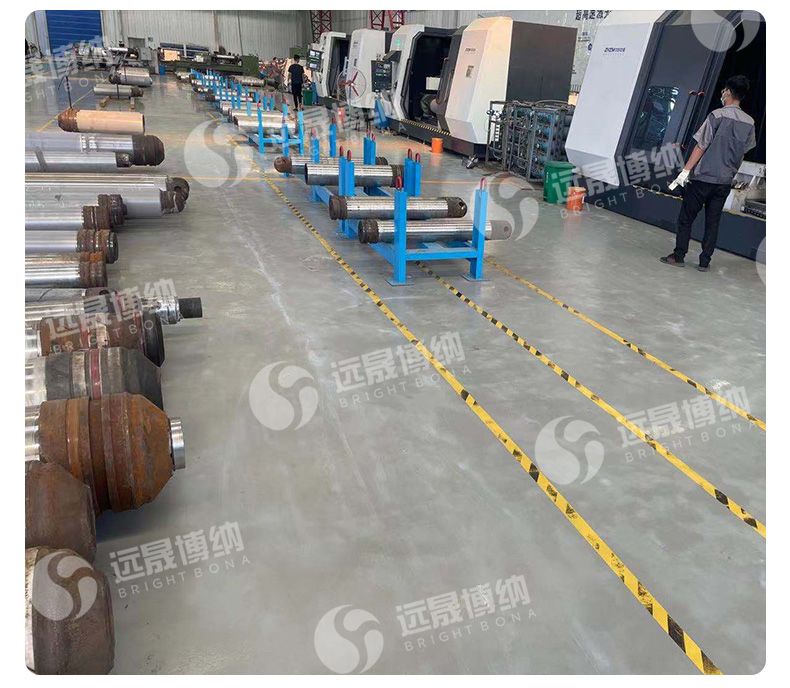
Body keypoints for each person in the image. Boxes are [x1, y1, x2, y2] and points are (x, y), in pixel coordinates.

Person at [661, 75, 756, 272]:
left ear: (728, 92)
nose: (722, 93)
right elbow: (742, 154)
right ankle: (705, 261)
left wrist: (685, 171)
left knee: (686, 218)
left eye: (724, 90)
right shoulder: (749, 122)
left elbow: (701, 146)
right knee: (713, 222)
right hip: (724, 181)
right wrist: (731, 174)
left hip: (702, 178)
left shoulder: (717, 115)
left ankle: (679, 255)